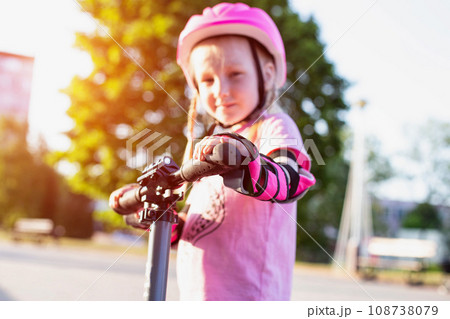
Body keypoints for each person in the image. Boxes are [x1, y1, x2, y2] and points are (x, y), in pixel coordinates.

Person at [110, 2, 315, 301]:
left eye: (235, 74)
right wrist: (153, 209)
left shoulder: (273, 127)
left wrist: (246, 163)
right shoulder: (212, 147)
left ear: (267, 74)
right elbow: (196, 229)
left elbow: (292, 177)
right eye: (207, 79)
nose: (221, 89)